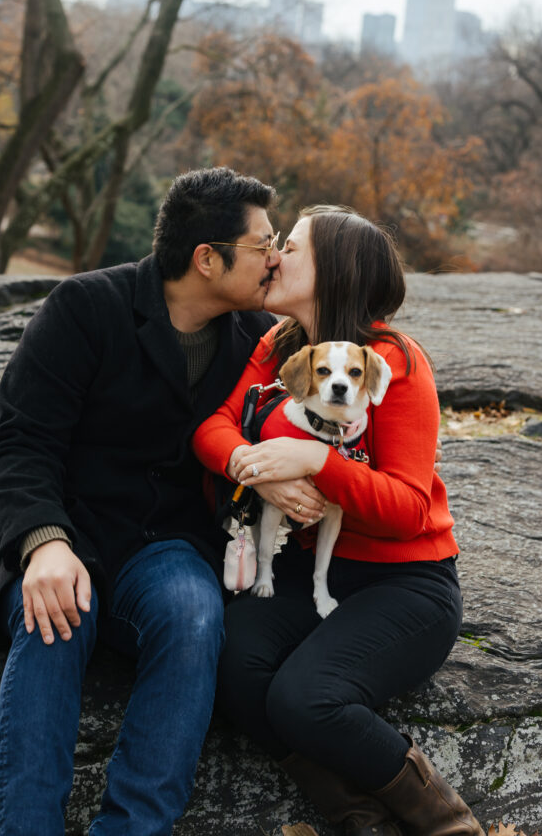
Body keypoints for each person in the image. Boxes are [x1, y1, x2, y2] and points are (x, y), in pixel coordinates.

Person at [0, 167, 293, 836]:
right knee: (55, 617)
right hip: (65, 529)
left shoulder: (258, 340)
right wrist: (43, 544)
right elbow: (22, 445)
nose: (277, 257)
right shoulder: (85, 307)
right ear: (207, 258)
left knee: (194, 614)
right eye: (264, 244)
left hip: (165, 545)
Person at [192, 206, 485, 836]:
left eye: (290, 250)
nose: (273, 257)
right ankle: (360, 822)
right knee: (228, 663)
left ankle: (451, 825)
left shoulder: (394, 363)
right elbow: (213, 426)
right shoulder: (281, 347)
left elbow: (408, 510)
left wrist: (316, 459)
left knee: (304, 699)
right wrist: (253, 463)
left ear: (334, 273)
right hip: (313, 574)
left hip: (406, 585)